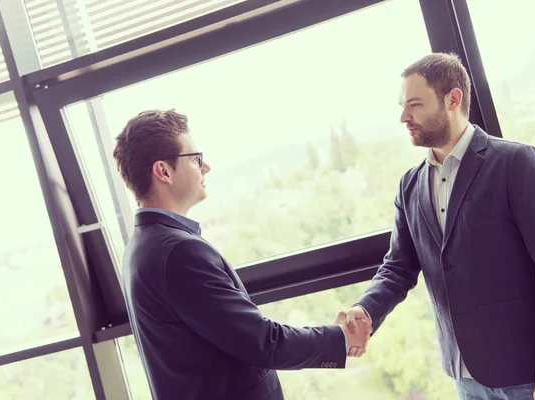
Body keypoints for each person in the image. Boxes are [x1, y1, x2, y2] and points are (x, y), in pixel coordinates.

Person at [343, 53, 535, 400]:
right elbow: (397, 268)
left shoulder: (518, 164)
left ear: (453, 99)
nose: (403, 117)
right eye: (402, 105)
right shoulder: (409, 186)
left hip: (533, 375)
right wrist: (364, 309)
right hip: (465, 377)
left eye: (415, 104)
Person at [112, 109, 370, 400]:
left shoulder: (143, 246)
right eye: (195, 158)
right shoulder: (179, 252)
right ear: (164, 171)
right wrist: (340, 338)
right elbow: (263, 343)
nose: (205, 167)